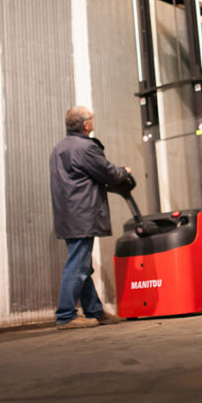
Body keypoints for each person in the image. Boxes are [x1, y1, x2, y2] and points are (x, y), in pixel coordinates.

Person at [50, 105, 131, 329]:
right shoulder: (85, 147)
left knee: (82, 264)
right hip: (82, 214)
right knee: (78, 264)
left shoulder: (59, 148)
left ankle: (94, 310)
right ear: (86, 124)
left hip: (68, 214)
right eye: (91, 119)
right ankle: (65, 315)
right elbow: (107, 172)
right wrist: (124, 171)